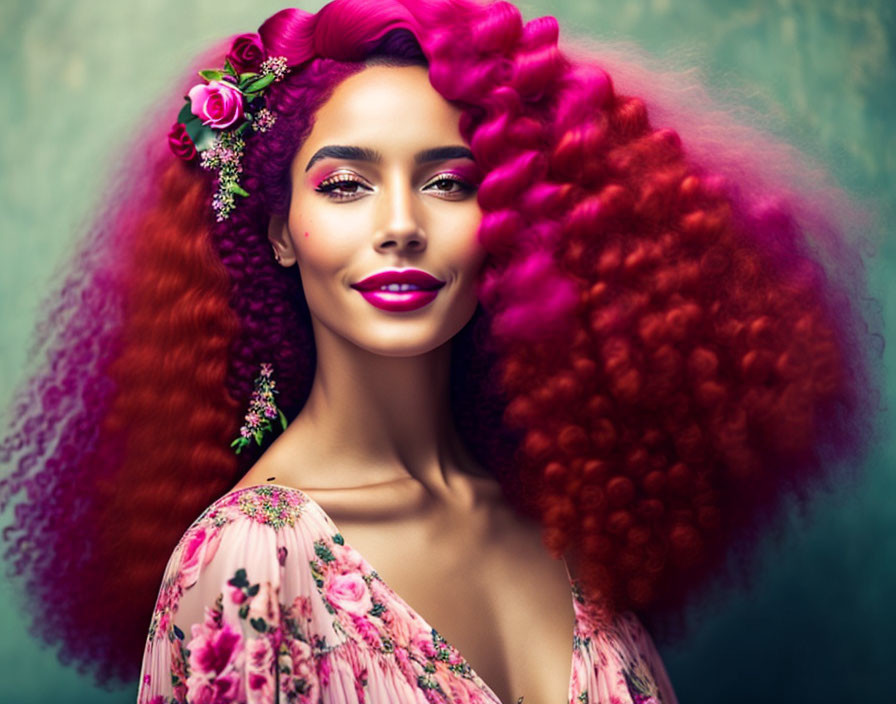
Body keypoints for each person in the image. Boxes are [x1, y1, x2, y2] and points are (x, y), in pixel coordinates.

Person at [0, 0, 881, 702]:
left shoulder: (559, 529)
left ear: (508, 218)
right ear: (278, 229)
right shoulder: (251, 559)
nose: (399, 227)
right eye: (345, 185)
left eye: (448, 183)